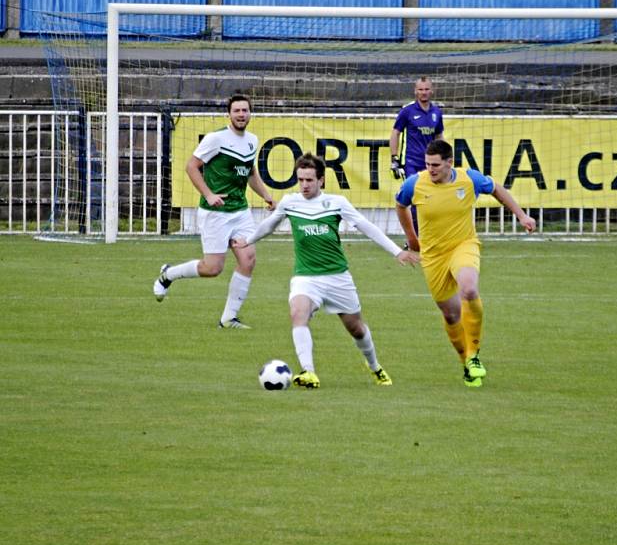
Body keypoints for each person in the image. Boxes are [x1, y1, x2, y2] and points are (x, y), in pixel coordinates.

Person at [235, 152, 419, 389]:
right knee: (297, 313)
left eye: (309, 180)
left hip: (337, 277)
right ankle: (308, 372)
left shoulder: (336, 203)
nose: (304, 185)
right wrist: (248, 240)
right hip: (306, 277)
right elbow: (269, 225)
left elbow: (367, 227)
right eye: (300, 179)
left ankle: (374, 366)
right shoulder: (290, 202)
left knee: (356, 328)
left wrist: (397, 251)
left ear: (321, 180)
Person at [395, 139, 536, 388]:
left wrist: (521, 215)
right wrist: (411, 237)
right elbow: (400, 204)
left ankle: (474, 356)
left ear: (450, 162)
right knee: (451, 315)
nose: (431, 169)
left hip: (463, 245)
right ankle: (466, 363)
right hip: (433, 255)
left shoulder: (468, 179)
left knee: (469, 289)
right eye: (428, 164)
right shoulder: (415, 183)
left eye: (436, 165)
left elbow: (497, 189)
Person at [152, 93, 275, 329]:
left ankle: (229, 319)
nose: (241, 114)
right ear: (229, 114)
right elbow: (191, 166)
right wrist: (209, 194)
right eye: (237, 111)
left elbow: (250, 173)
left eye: (245, 110)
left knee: (248, 259)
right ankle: (169, 274)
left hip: (240, 211)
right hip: (215, 213)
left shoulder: (252, 140)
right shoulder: (215, 138)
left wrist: (267, 196)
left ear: (250, 113)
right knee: (213, 268)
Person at [389, 76, 444, 232]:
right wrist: (394, 159)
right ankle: (414, 237)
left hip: (432, 165)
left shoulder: (436, 112)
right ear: (415, 91)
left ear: (431, 91)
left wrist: (445, 157)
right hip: (412, 163)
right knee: (416, 198)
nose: (424, 92)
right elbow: (395, 133)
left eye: (426, 89)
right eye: (420, 89)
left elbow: (439, 136)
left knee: (433, 198)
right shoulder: (408, 111)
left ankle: (430, 233)